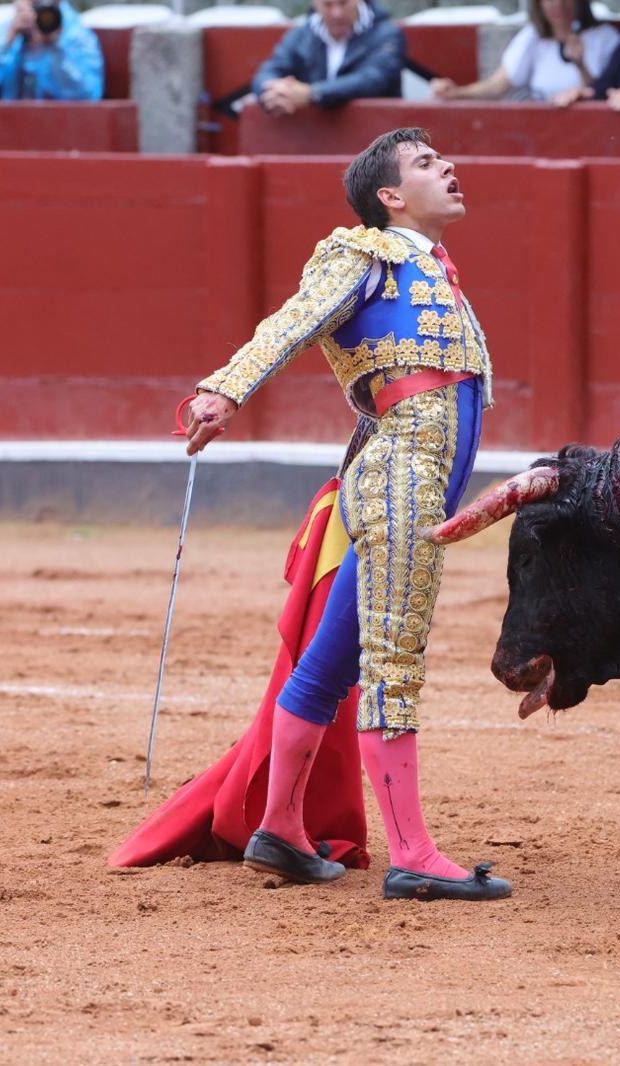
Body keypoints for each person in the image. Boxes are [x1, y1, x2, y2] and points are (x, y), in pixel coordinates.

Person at [185, 127, 511, 903]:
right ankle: (413, 854)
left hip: (411, 482)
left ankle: (281, 830)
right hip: (401, 479)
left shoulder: (433, 270)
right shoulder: (364, 255)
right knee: (392, 661)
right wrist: (224, 389)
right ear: (390, 198)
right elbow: (293, 321)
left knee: (329, 665)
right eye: (427, 164)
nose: (450, 166)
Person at [432, 0, 619, 103]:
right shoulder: (533, 36)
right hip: (542, 127)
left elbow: (604, 94)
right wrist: (456, 93)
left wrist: (580, 65)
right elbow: (498, 85)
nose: (559, 5)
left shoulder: (605, 37)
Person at [251, 0, 405, 116]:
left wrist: (312, 93)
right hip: (311, 142)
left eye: (343, 3)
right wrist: (273, 93)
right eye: (327, 4)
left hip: (377, 143)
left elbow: (373, 79)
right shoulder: (300, 35)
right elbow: (267, 72)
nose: (336, 13)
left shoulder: (387, 33)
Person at [0, 0, 102, 101]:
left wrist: (54, 49)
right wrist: (7, 40)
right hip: (7, 129)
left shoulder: (77, 36)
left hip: (63, 132)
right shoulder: (7, 32)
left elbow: (88, 96)